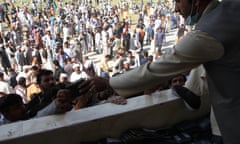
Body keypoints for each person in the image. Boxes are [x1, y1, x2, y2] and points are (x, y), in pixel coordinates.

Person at [79, 0, 240, 143]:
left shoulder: (206, 35)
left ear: (196, 2)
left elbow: (156, 69)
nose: (176, 9)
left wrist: (110, 82)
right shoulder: (232, 8)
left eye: (178, 1)